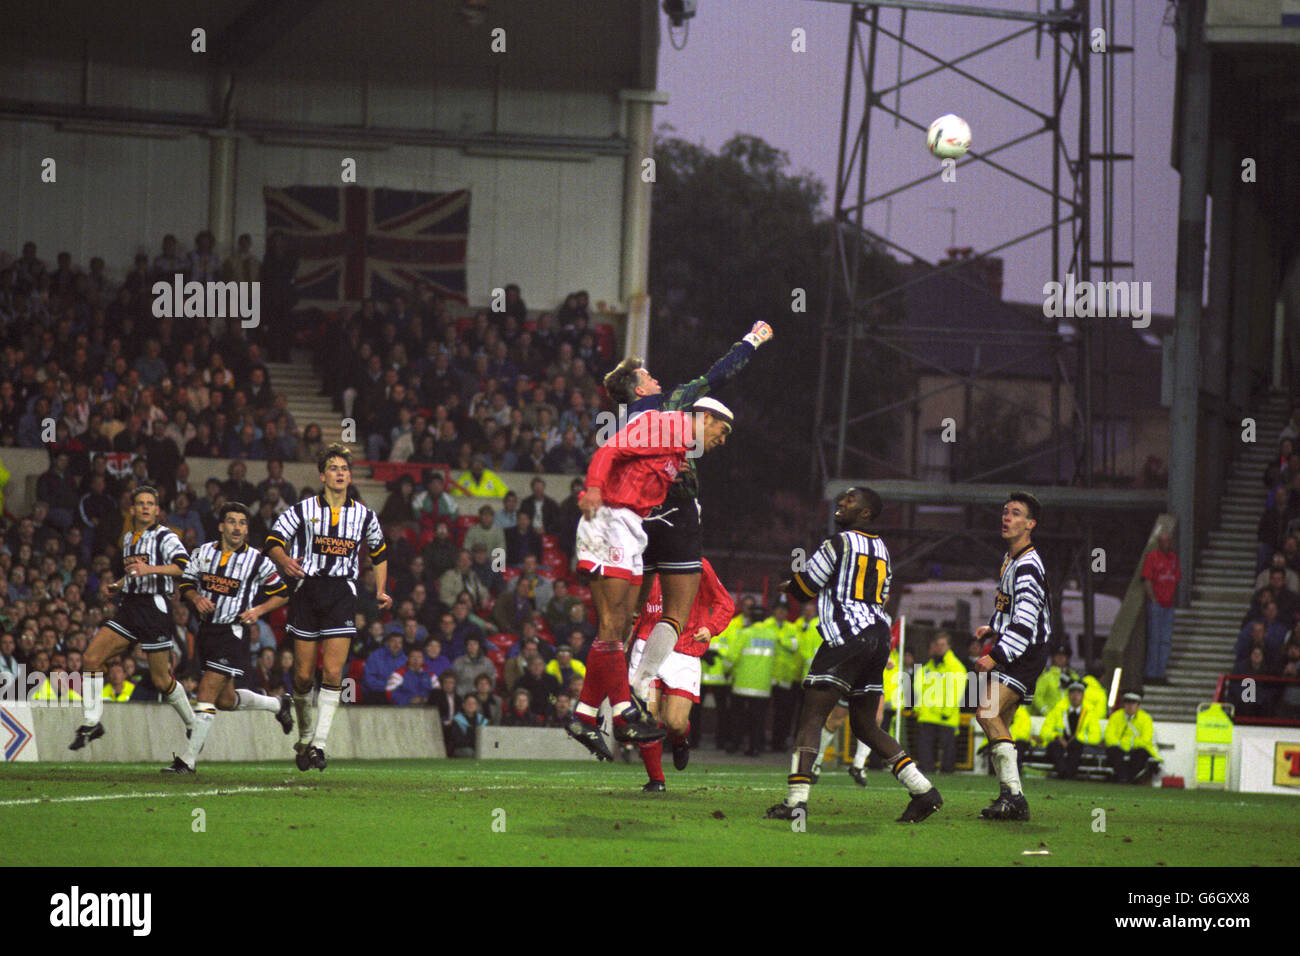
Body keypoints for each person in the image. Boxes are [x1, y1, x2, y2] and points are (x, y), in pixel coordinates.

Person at [603, 323, 773, 708]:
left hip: (633, 517)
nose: (655, 377)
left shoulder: (621, 426)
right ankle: (643, 680)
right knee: (677, 611)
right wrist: (752, 340)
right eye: (647, 375)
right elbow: (717, 376)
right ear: (638, 387)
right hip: (675, 509)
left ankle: (609, 699)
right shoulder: (672, 403)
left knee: (628, 615)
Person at [565, 399, 735, 758]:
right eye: (722, 430)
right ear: (705, 418)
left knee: (618, 625)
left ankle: (585, 714)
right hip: (609, 518)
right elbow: (610, 448)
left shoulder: (678, 450)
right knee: (614, 624)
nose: (723, 440)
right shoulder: (666, 424)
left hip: (631, 528)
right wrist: (593, 488)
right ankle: (624, 709)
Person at [767, 487, 941, 823]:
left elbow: (806, 589)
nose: (841, 502)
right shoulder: (883, 550)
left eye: (850, 500)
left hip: (847, 634)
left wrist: (792, 585)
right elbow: (884, 594)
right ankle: (924, 791)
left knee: (812, 719)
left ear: (865, 513)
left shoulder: (838, 542)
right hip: (878, 635)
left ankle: (796, 802)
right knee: (865, 724)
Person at [264, 443, 391, 771]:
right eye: (333, 468)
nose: (340, 473)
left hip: (340, 593)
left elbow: (378, 551)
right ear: (322, 475)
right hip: (307, 591)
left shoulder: (364, 514)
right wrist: (284, 560)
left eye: (344, 469)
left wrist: (380, 589)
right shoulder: (304, 509)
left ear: (350, 476)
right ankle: (305, 735)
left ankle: (319, 744)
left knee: (333, 671)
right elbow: (273, 540)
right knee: (304, 676)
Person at [164, 502, 293, 773]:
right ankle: (277, 703)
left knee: (206, 692)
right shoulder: (202, 553)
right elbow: (186, 582)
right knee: (224, 700)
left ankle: (188, 760)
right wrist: (196, 597)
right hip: (206, 632)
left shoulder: (257, 560)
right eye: (232, 521)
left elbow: (282, 592)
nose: (237, 527)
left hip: (232, 632)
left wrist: (258, 610)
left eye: (242, 523)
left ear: (247, 529)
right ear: (221, 526)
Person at [70, 485, 196, 751]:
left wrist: (149, 569)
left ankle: (192, 723)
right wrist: (120, 584)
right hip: (130, 608)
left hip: (155, 609)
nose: (146, 507)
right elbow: (135, 572)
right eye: (141, 503)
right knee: (91, 658)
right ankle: (92, 722)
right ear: (132, 508)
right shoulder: (128, 539)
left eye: (151, 503)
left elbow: (184, 567)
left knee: (162, 680)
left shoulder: (166, 536)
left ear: (158, 510)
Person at [970, 492, 1052, 821]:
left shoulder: (1028, 566)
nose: (1007, 518)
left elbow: (1026, 621)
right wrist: (992, 626)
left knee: (987, 713)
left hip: (1025, 651)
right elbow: (1011, 608)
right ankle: (1011, 798)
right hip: (1021, 647)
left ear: (1030, 525)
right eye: (1005, 512)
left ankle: (1014, 797)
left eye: (1016, 513)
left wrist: (995, 654)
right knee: (999, 719)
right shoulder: (1011, 558)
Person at [627, 556, 733, 792]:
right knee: (647, 717)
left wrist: (711, 628)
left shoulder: (698, 565)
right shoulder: (646, 561)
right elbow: (635, 607)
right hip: (648, 643)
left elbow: (725, 603)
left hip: (684, 648)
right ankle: (657, 780)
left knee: (674, 722)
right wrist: (626, 636)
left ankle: (678, 740)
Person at [914, 631, 966, 774]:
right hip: (928, 714)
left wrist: (947, 711)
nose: (939, 648)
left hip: (946, 716)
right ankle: (927, 771)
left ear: (949, 646)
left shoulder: (955, 667)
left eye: (942, 645)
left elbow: (956, 691)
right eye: (937, 644)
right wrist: (919, 707)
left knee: (947, 750)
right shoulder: (928, 667)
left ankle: (947, 773)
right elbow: (920, 688)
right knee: (925, 748)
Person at [1140, 531, 1180, 685]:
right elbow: (1147, 580)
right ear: (1159, 542)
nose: (1166, 544)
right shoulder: (1152, 557)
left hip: (1168, 604)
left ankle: (1160, 674)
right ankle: (1151, 674)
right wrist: (1154, 599)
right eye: (1163, 541)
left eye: (1168, 541)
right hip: (1157, 604)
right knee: (1154, 639)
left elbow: (1176, 580)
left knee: (1165, 641)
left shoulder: (1173, 559)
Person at [1039, 681, 1101, 779]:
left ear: (1083, 695)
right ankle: (1064, 773)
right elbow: (1044, 731)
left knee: (1076, 746)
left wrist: (1078, 738)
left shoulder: (1090, 712)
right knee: (1054, 746)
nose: (1075, 696)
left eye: (1079, 693)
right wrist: (1057, 736)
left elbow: (1096, 736)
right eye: (1072, 692)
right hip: (1060, 743)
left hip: (1077, 744)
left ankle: (1067, 775)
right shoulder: (1058, 709)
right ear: (1068, 694)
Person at [1104, 691, 1160, 783]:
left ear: (1138, 706)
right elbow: (1109, 735)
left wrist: (1130, 743)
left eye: (1133, 703)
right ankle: (1123, 778)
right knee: (1113, 751)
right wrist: (1121, 744)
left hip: (1136, 747)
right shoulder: (1115, 716)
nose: (1130, 706)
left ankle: (1128, 778)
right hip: (1119, 746)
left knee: (1141, 754)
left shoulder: (1145, 718)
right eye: (1127, 703)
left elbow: (1146, 739)